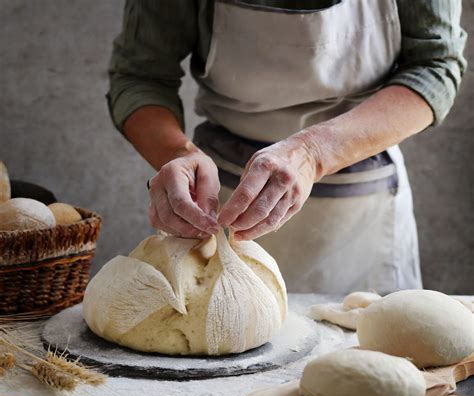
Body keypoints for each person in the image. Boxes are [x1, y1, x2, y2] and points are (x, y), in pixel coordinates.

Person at [107, 0, 466, 294]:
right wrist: (177, 155)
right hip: (221, 202)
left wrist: (313, 153)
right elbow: (141, 75)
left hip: (360, 216)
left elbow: (436, 65)